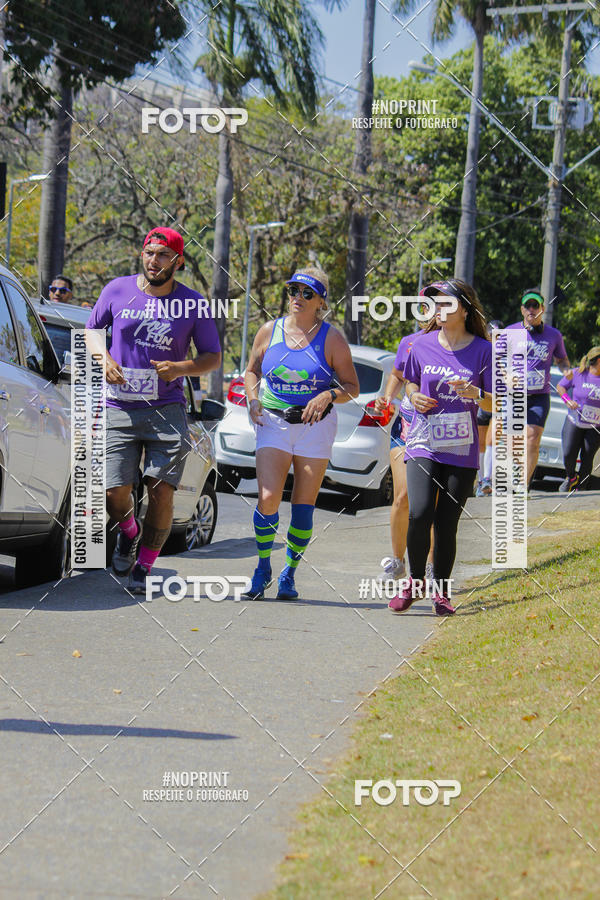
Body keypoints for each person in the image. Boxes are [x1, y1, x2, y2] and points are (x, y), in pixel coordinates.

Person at [85, 226, 221, 593]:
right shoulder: (117, 290)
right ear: (141, 255)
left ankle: (143, 567)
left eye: (163, 255)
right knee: (116, 493)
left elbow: (212, 356)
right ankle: (128, 533)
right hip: (119, 408)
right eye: (149, 252)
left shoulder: (193, 304)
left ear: (177, 262)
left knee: (161, 491)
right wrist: (105, 359)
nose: (154, 260)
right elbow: (92, 331)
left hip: (166, 410)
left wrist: (181, 368)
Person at [243, 266, 359, 601]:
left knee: (303, 506)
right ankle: (263, 566)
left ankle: (289, 574)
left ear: (321, 301)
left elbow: (352, 386)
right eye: (294, 290)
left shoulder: (332, 338)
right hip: (274, 423)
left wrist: (327, 394)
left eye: (307, 293)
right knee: (267, 497)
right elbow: (251, 371)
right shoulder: (269, 331)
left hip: (315, 426)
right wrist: (252, 399)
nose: (298, 298)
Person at [388, 279, 492, 617]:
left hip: (461, 447)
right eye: (435, 304)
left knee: (447, 522)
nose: (439, 310)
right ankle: (415, 582)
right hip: (423, 441)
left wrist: (475, 394)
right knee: (419, 512)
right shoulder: (420, 344)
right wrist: (412, 396)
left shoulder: (482, 350)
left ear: (464, 308)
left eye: (446, 303)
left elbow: (498, 399)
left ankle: (441, 593)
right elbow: (409, 381)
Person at [375, 303, 435, 581]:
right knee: (402, 497)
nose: (428, 313)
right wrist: (387, 397)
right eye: (423, 307)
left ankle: (433, 567)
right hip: (406, 429)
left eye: (434, 307)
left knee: (429, 504)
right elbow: (397, 375)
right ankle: (398, 562)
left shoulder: (456, 345)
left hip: (439, 434)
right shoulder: (408, 343)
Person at [506, 289, 571, 487]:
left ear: (542, 308)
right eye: (528, 306)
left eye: (536, 306)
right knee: (512, 441)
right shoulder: (509, 332)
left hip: (539, 396)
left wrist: (567, 370)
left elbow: (562, 359)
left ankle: (524, 485)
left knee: (533, 439)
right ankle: (514, 473)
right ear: (522, 309)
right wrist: (506, 375)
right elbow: (496, 360)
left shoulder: (554, 335)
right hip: (515, 395)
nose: (532, 309)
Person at [557, 345, 600, 492]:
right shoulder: (578, 373)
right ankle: (571, 477)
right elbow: (561, 387)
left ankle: (580, 490)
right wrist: (567, 400)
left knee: (587, 459)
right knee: (568, 454)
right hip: (574, 421)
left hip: (595, 426)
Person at [475, 319, 504, 497]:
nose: (496, 339)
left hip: (498, 404)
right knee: (480, 444)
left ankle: (487, 479)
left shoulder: (508, 356)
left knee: (491, 440)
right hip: (480, 403)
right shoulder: (481, 352)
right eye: (493, 335)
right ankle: (480, 481)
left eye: (499, 336)